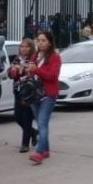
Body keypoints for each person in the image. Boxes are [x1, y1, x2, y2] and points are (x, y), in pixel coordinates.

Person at [27, 31, 61, 165]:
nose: (40, 43)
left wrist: (36, 70)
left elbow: (52, 76)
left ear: (50, 42)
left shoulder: (55, 57)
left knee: (41, 123)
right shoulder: (36, 56)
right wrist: (27, 71)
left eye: (43, 40)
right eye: (38, 40)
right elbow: (32, 73)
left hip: (48, 94)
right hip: (35, 94)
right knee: (41, 123)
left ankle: (39, 152)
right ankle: (45, 150)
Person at [8, 38, 38, 153]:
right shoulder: (17, 59)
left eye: (26, 46)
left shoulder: (33, 59)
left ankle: (25, 144)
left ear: (31, 48)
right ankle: (33, 132)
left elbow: (32, 73)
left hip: (29, 92)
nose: (24, 49)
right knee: (17, 116)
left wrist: (21, 70)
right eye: (22, 46)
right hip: (18, 90)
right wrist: (14, 71)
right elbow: (10, 73)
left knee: (26, 118)